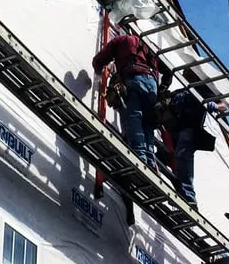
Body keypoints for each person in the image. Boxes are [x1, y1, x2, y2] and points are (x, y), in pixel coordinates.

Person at [92, 31, 172, 171]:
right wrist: (161, 90)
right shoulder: (151, 47)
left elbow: (99, 60)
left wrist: (98, 72)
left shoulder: (121, 40)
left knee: (133, 120)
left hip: (133, 79)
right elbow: (168, 72)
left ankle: (140, 162)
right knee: (147, 126)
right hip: (152, 86)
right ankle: (150, 165)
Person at [155, 90, 219, 207]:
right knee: (159, 158)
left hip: (189, 130)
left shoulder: (201, 89)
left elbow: (223, 105)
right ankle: (158, 180)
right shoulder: (177, 93)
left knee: (183, 156)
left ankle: (188, 195)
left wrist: (215, 106)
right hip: (173, 133)